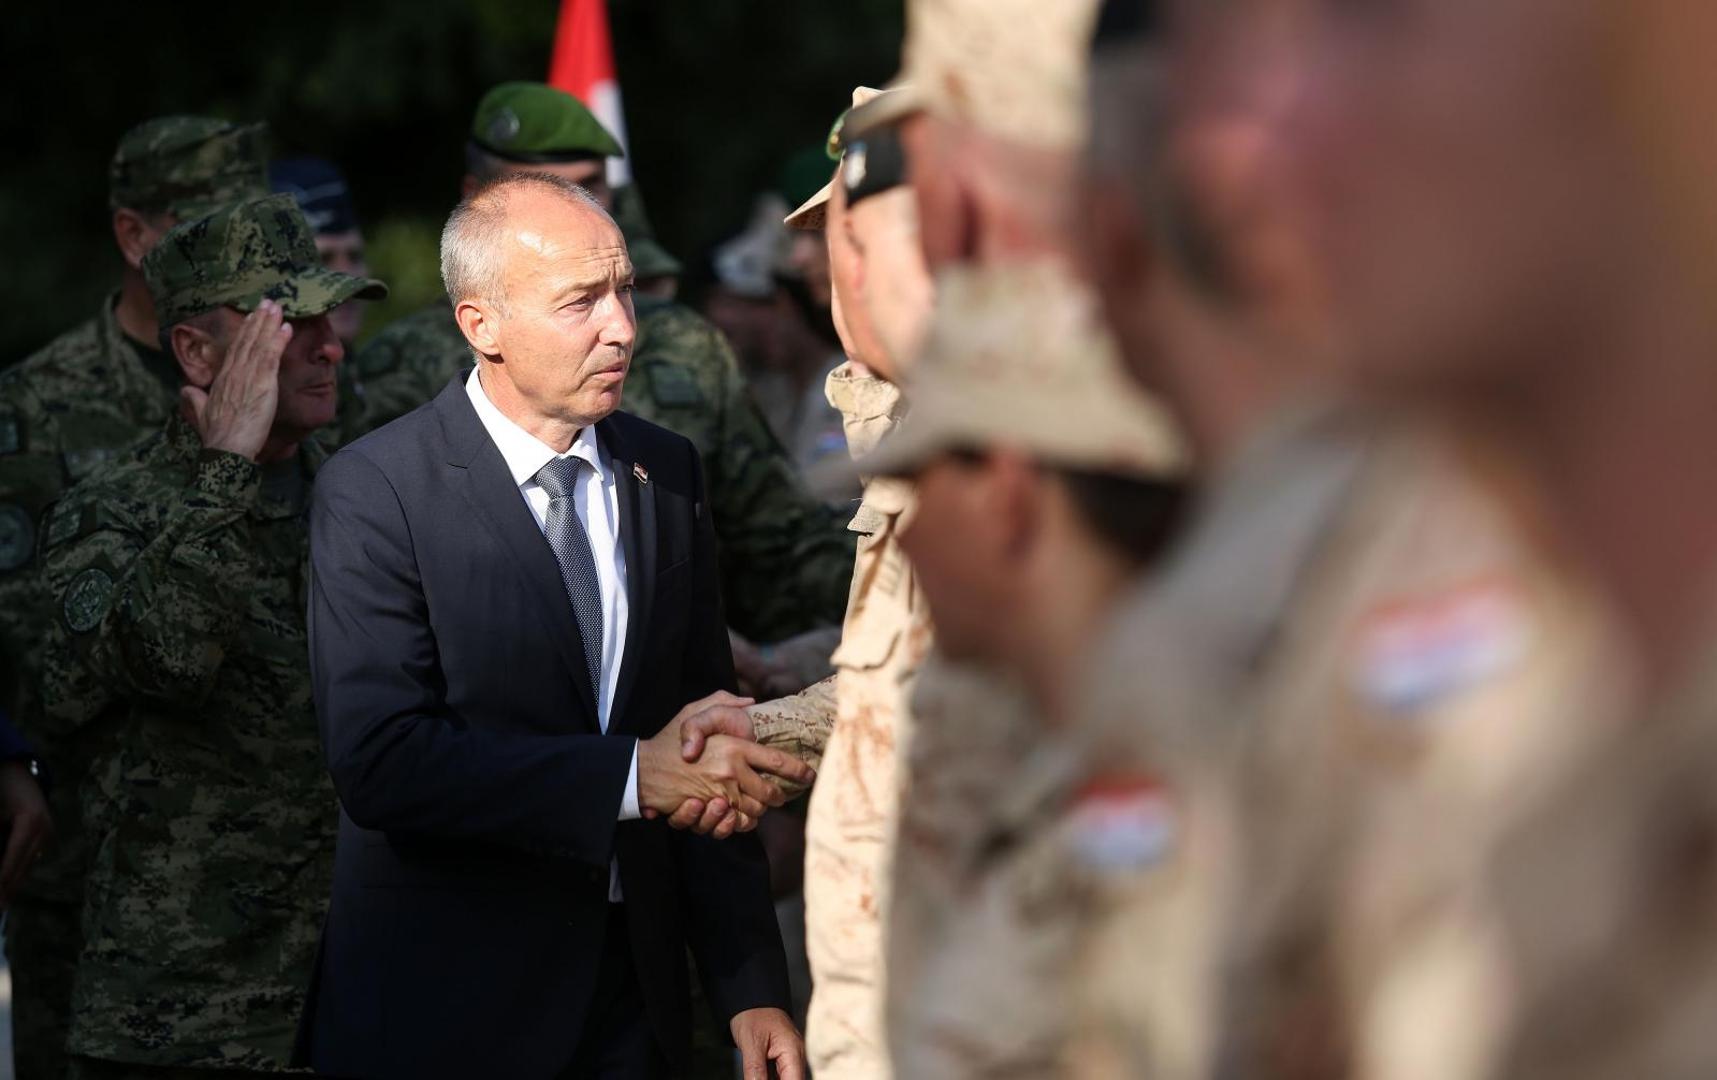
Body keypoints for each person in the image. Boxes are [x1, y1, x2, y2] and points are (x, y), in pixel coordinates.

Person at [298, 172, 811, 1080]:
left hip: (633, 1009)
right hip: (445, 1012)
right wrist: (628, 778)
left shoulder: (667, 472)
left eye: (623, 291)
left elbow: (703, 734)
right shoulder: (377, 490)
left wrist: (749, 986)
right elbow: (382, 760)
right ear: (481, 325)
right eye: (580, 301)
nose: (621, 326)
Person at [36, 192, 385, 1079]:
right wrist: (226, 467)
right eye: (289, 326)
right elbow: (170, 659)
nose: (329, 347)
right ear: (196, 351)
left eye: (328, 321)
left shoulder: (364, 498)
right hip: (184, 1016)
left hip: (358, 994)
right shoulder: (109, 513)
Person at [352, 81, 856, 646]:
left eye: (591, 185)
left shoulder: (686, 345)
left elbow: (778, 538)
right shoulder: (400, 367)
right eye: (546, 187)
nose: (619, 330)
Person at [853, 260, 1189, 1075]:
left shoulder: (1175, 797)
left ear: (1005, 495)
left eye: (917, 491)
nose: (905, 535)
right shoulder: (1074, 758)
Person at [0, 113, 268, 1080]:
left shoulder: (306, 381)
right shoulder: (36, 403)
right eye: (206, 219)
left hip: (267, 868)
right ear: (132, 233)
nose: (234, 244)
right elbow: (18, 626)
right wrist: (6, 755)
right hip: (86, 858)